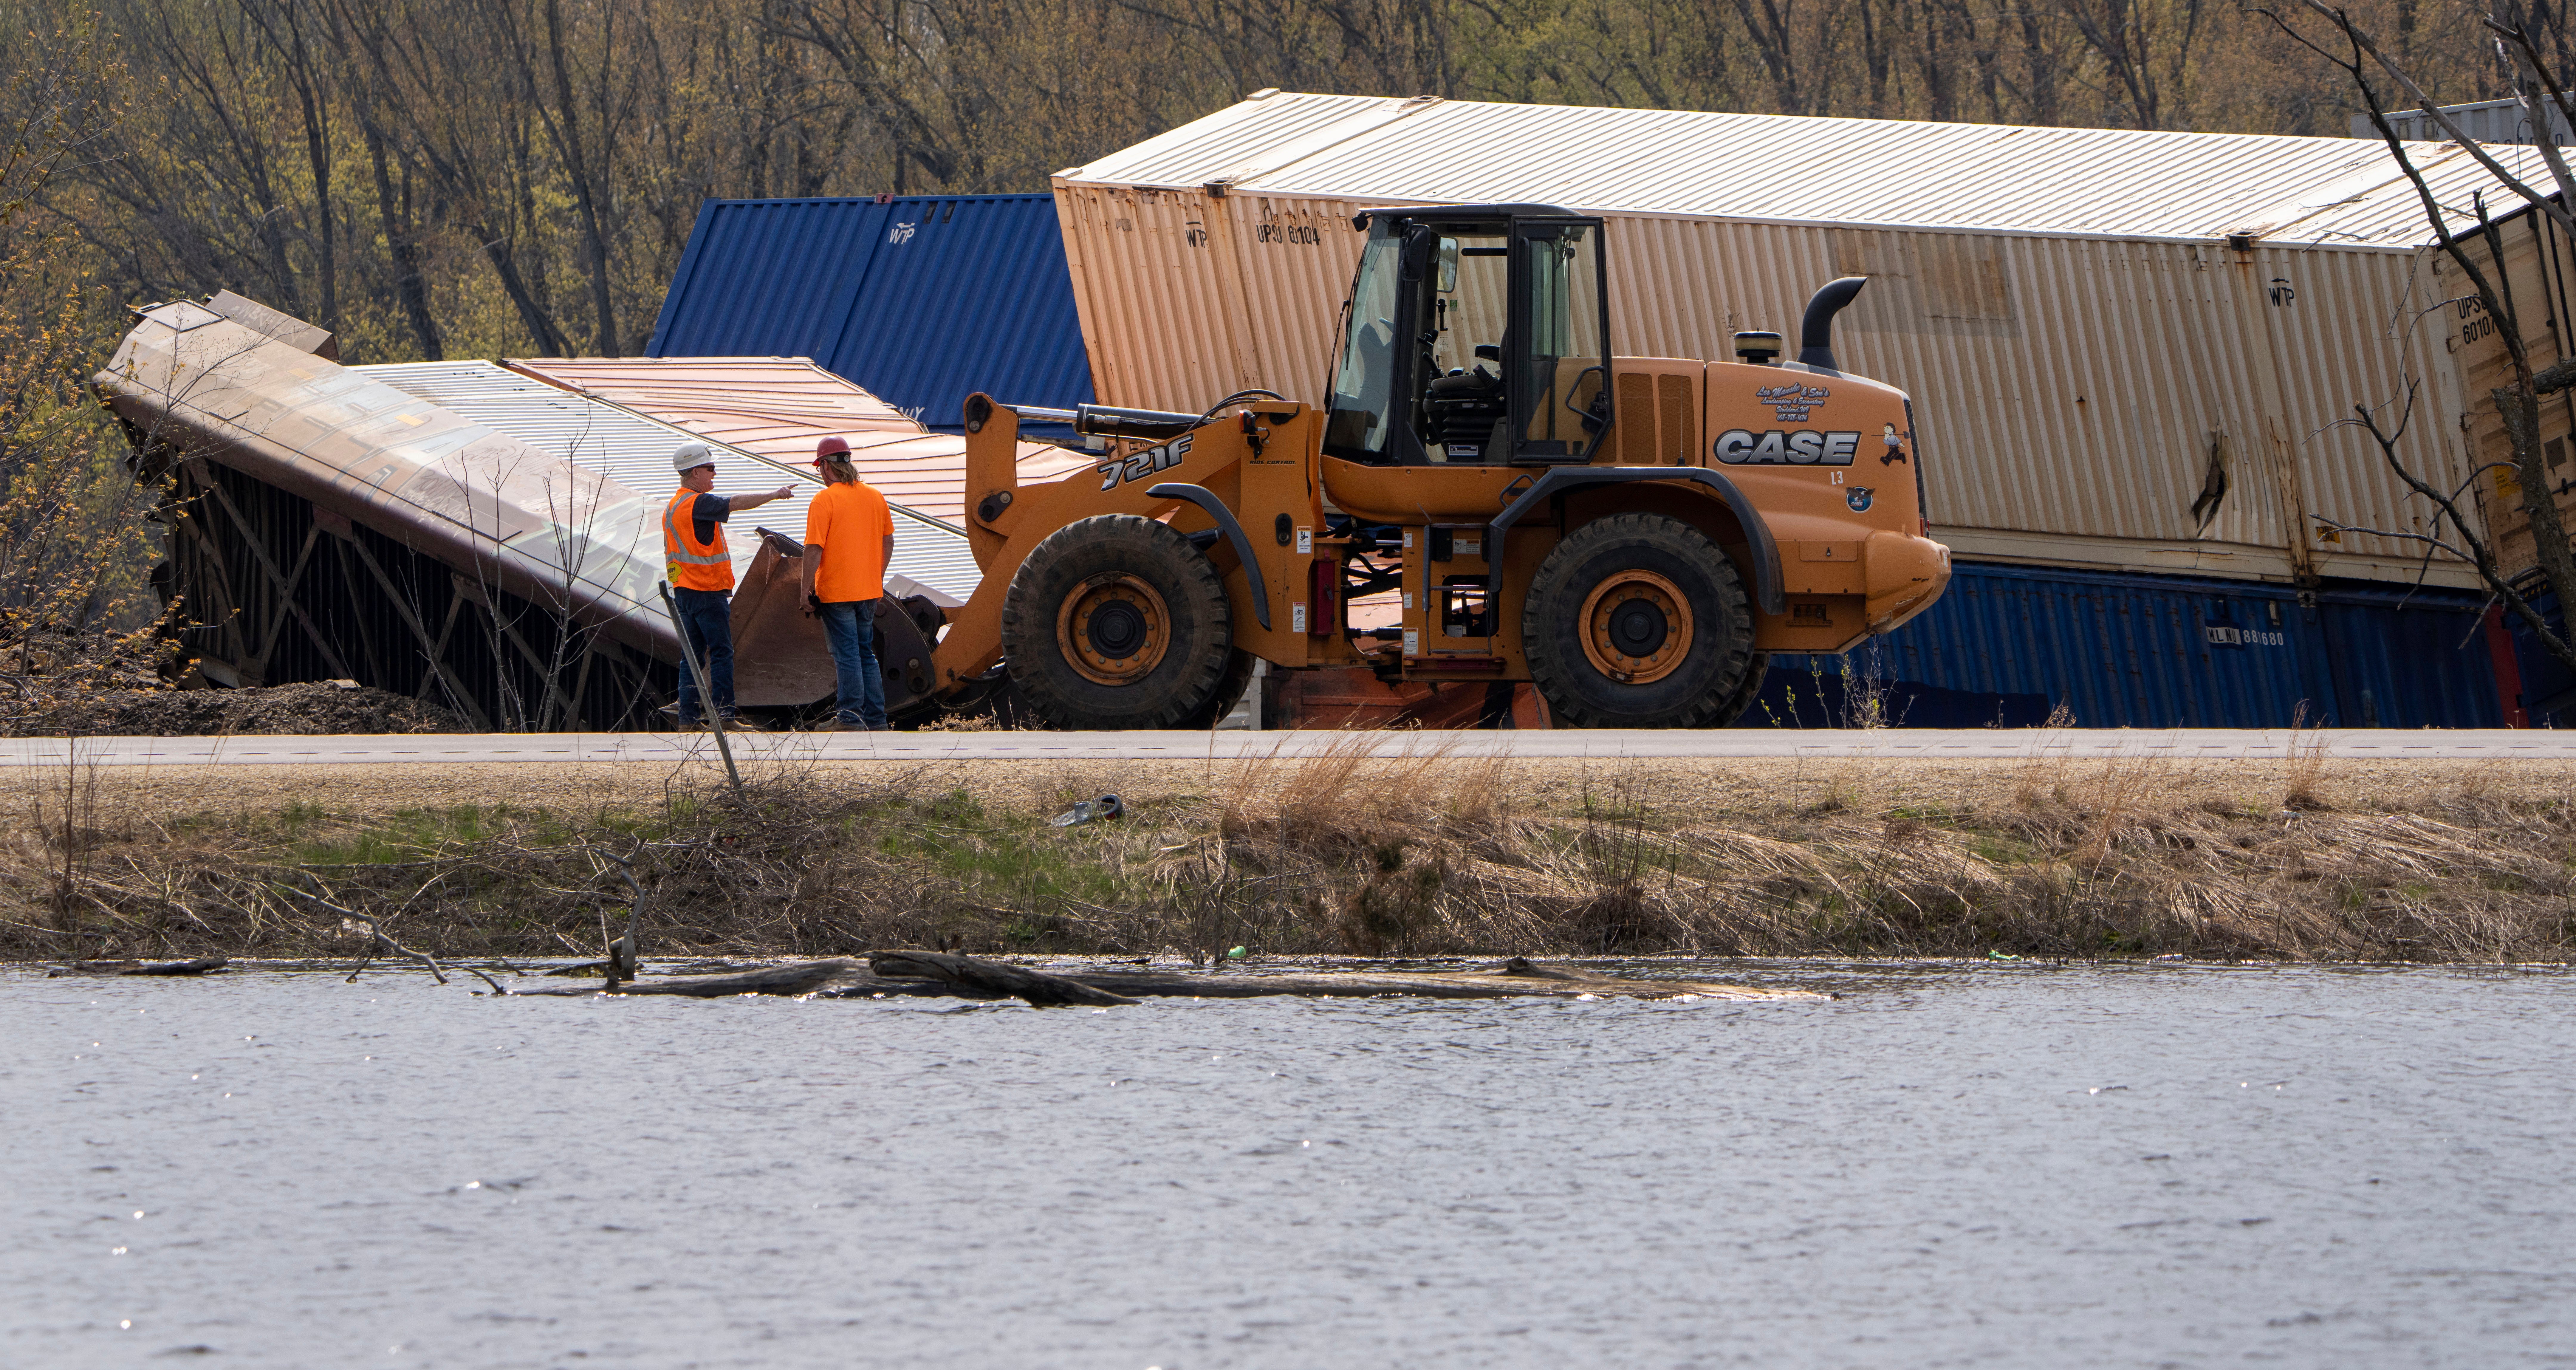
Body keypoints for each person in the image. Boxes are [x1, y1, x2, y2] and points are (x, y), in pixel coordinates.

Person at [664, 442, 794, 732]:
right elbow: (734, 502)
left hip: (684, 591)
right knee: (722, 652)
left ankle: (687, 719)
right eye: (710, 469)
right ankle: (724, 716)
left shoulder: (674, 506)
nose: (714, 474)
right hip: (707, 591)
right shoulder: (699, 503)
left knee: (692, 655)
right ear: (695, 471)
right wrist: (774, 494)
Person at [798, 436, 895, 731]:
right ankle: (877, 720)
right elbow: (888, 541)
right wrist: (877, 578)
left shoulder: (824, 499)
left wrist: (805, 590)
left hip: (837, 592)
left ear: (826, 466)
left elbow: (814, 548)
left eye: (820, 467)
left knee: (848, 654)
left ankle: (850, 718)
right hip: (868, 592)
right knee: (866, 652)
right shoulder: (875, 496)